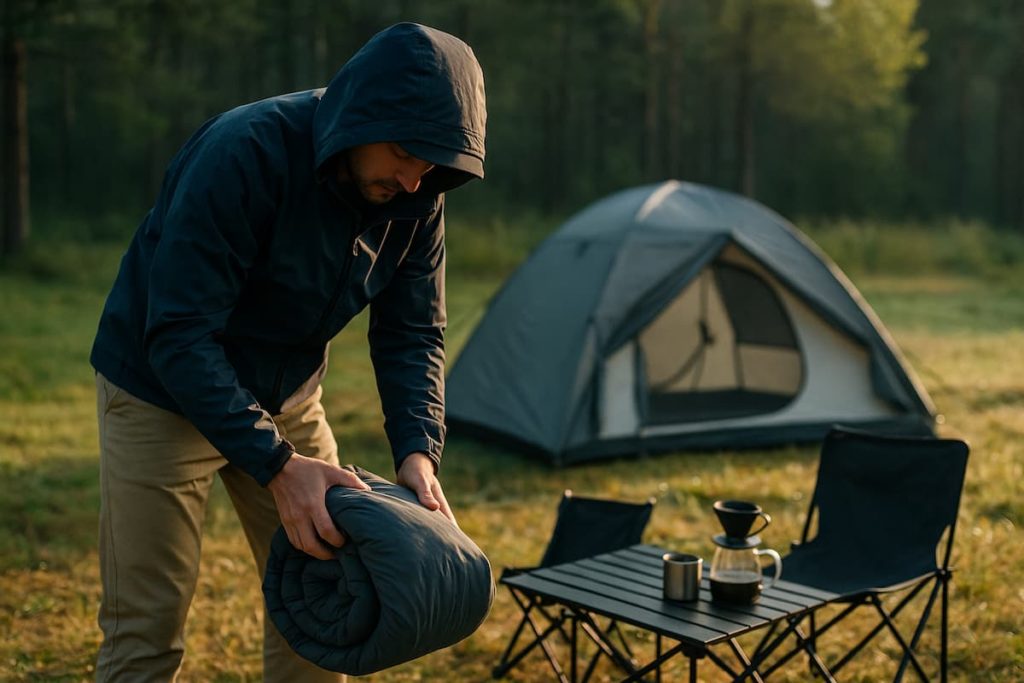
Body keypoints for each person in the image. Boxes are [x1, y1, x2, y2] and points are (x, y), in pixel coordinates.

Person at [89, 22, 486, 682]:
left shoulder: (419, 193)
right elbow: (179, 333)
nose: (413, 179)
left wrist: (418, 450)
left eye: (432, 163)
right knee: (146, 627)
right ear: (361, 118)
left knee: (326, 604)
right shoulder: (242, 153)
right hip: (160, 392)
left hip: (289, 397)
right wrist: (277, 466)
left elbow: (413, 332)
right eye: (402, 152)